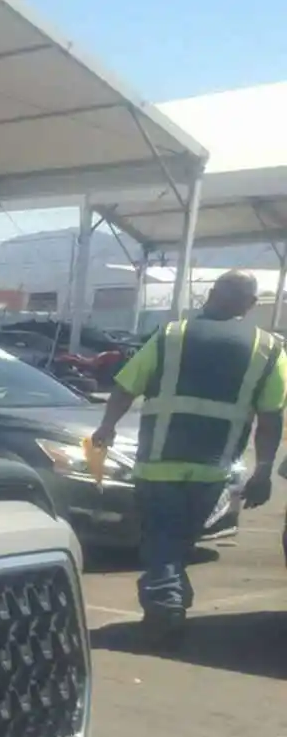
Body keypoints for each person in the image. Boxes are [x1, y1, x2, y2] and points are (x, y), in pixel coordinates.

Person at [91, 270, 285, 643]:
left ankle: (166, 605)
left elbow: (126, 386)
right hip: (213, 469)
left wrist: (107, 428)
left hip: (158, 463)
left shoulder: (171, 336)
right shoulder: (269, 349)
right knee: (178, 540)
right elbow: (271, 417)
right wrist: (262, 471)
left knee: (161, 539)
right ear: (251, 304)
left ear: (210, 295)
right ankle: (172, 595)